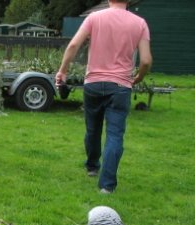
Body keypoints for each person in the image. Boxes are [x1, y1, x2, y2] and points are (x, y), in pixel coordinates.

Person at [56, 0, 152, 194]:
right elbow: (146, 60)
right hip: (120, 86)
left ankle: (92, 167)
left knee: (92, 129)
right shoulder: (140, 23)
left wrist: (63, 71)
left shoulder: (94, 18)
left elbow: (74, 44)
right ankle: (107, 186)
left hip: (93, 83)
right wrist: (139, 76)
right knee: (115, 135)